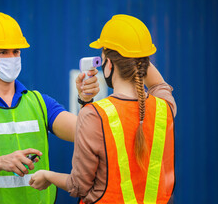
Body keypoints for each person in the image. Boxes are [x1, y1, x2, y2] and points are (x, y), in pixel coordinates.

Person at [0, 12, 99, 204]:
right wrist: (0, 162)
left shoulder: (40, 103)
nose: (11, 57)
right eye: (3, 52)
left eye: (16, 52)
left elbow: (85, 132)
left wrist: (84, 100)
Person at [30, 14, 176, 204]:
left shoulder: (94, 114)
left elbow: (78, 185)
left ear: (107, 65)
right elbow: (159, 85)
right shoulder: (165, 108)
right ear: (144, 63)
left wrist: (48, 176)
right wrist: (138, 61)